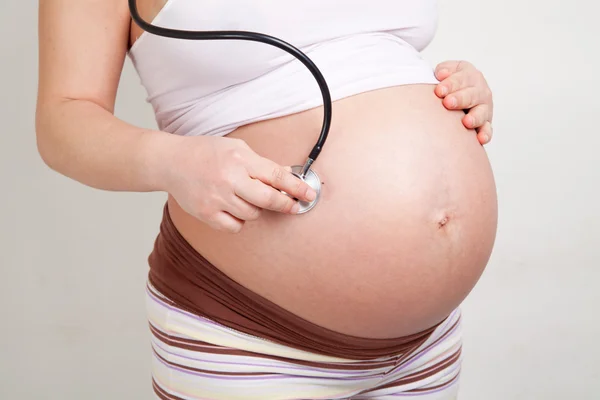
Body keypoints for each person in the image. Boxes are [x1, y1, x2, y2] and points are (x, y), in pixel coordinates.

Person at [36, 1, 498, 399]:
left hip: (426, 342)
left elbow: (370, 53)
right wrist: (173, 161)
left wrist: (455, 88)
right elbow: (63, 119)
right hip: (248, 339)